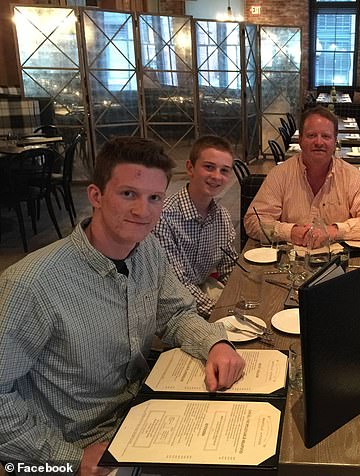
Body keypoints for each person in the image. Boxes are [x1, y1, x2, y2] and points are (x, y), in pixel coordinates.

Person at [0, 137, 245, 473]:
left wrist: (214, 342)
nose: (142, 211)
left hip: (141, 417)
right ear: (96, 196)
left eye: (154, 198)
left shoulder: (147, 252)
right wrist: (67, 461)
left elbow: (175, 313)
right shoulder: (31, 284)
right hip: (78, 446)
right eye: (128, 193)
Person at [244, 106, 360, 246]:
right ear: (300, 140)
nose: (319, 142)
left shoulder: (352, 177)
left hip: (338, 264)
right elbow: (253, 221)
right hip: (290, 264)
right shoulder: (279, 175)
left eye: (326, 136)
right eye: (311, 135)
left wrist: (333, 231)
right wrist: (290, 232)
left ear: (334, 141)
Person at [154, 135, 238, 319]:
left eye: (224, 170)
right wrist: (221, 313)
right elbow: (177, 284)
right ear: (190, 168)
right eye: (209, 167)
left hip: (201, 292)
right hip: (167, 305)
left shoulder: (221, 216)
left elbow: (229, 268)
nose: (217, 176)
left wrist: (239, 297)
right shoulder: (164, 218)